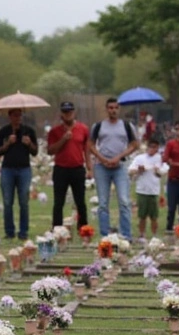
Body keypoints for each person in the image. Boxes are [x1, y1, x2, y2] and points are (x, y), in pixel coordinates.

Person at [88, 97, 140, 237]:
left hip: (120, 166)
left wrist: (120, 156)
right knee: (103, 203)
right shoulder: (98, 126)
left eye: (116, 108)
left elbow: (135, 144)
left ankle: (126, 235)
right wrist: (101, 158)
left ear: (119, 109)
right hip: (102, 166)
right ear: (106, 109)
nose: (113, 110)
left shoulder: (127, 126)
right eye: (110, 108)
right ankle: (105, 235)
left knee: (124, 201)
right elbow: (90, 145)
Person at [0, 108, 38, 240]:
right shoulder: (3, 132)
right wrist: (7, 144)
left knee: (24, 201)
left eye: (19, 115)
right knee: (7, 201)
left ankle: (23, 231)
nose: (17, 118)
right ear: (10, 116)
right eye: (15, 115)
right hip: (8, 169)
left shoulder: (29, 131)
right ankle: (9, 231)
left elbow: (35, 152)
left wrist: (29, 144)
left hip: (24, 169)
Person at [47, 101, 91, 229]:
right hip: (61, 169)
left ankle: (83, 228)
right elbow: (50, 151)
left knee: (80, 201)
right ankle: (57, 228)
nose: (68, 114)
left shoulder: (83, 129)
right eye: (65, 112)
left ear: (74, 112)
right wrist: (63, 139)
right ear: (61, 114)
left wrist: (89, 168)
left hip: (77, 168)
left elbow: (86, 150)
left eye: (70, 111)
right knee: (59, 202)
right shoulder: (55, 131)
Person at [130, 138, 168, 240]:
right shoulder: (140, 158)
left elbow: (164, 171)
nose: (152, 149)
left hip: (153, 191)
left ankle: (154, 235)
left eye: (154, 147)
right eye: (150, 146)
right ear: (147, 147)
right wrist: (139, 170)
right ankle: (142, 234)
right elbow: (130, 170)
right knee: (142, 215)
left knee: (154, 216)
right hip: (142, 190)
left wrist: (157, 170)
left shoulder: (160, 159)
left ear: (157, 148)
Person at [165, 120, 179, 230]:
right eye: (176, 129)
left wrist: (174, 163)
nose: (178, 131)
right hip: (173, 180)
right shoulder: (171, 144)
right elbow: (166, 158)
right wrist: (171, 161)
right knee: (171, 207)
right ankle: (169, 228)